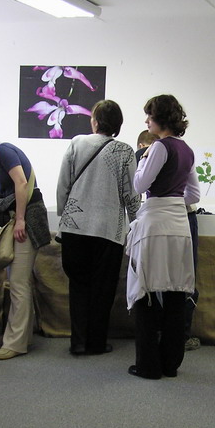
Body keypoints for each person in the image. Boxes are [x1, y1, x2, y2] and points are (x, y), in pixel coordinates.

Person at [56, 100, 141, 355]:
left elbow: (63, 185)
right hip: (108, 230)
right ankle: (96, 342)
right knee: (103, 290)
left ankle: (78, 342)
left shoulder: (76, 143)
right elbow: (131, 195)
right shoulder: (124, 151)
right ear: (118, 124)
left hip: (75, 228)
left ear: (94, 121)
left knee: (78, 286)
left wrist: (64, 213)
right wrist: (136, 223)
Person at [126, 94, 200, 379]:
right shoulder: (187, 150)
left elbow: (139, 185)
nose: (146, 121)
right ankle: (170, 363)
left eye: (149, 116)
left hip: (155, 225)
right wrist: (173, 201)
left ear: (160, 118)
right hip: (179, 226)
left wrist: (142, 160)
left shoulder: (158, 147)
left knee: (145, 290)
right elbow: (194, 195)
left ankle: (148, 365)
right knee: (175, 293)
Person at [0, 131, 51, 360]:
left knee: (18, 283)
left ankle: (15, 343)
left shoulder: (3, 151)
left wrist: (21, 219)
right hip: (23, 218)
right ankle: (20, 336)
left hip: (25, 220)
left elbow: (21, 182)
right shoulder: (0, 156)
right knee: (20, 282)